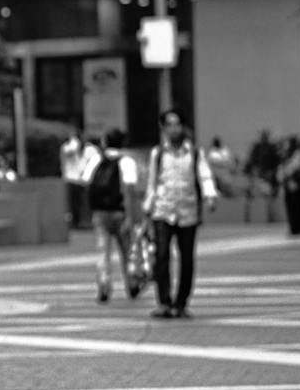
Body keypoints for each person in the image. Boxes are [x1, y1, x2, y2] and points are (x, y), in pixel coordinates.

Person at [143, 110, 215, 318]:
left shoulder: (194, 152)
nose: (174, 129)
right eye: (169, 125)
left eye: (177, 124)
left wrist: (210, 196)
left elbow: (204, 176)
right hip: (163, 210)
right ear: (163, 129)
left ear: (183, 127)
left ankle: (181, 303)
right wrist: (148, 207)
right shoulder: (158, 154)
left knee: (187, 259)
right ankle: (164, 302)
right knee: (162, 255)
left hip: (187, 212)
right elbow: (152, 183)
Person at [85, 127, 142, 302]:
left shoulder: (96, 160)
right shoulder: (127, 162)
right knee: (127, 251)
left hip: (100, 212)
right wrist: (132, 217)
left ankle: (104, 284)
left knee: (102, 251)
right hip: (121, 212)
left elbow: (86, 181)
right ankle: (132, 283)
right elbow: (130, 190)